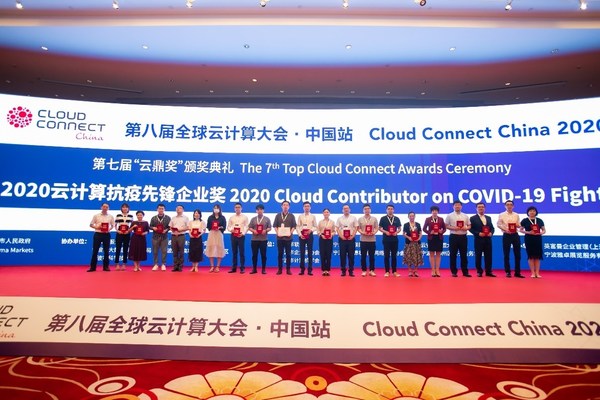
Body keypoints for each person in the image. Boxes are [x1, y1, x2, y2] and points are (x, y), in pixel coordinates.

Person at [497, 199, 524, 278]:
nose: (509, 206)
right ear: (505, 206)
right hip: (506, 235)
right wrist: (505, 230)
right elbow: (499, 224)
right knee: (506, 254)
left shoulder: (516, 215)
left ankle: (517, 272)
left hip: (515, 235)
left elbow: (518, 224)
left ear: (513, 206)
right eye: (507, 205)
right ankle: (508, 272)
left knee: (517, 254)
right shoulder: (501, 215)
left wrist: (519, 226)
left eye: (511, 205)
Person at [445, 201, 472, 277]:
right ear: (453, 206)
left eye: (459, 205)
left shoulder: (465, 216)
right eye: (456, 205)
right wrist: (454, 228)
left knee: (464, 255)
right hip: (453, 236)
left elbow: (469, 226)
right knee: (453, 254)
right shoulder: (449, 215)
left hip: (463, 237)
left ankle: (465, 272)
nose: (457, 206)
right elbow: (446, 225)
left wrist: (466, 228)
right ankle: (454, 272)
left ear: (461, 206)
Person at [469, 202, 496, 277]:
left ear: (485, 208)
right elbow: (470, 229)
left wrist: (491, 233)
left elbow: (492, 228)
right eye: (479, 207)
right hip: (478, 240)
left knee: (489, 256)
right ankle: (479, 271)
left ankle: (488, 271)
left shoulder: (488, 217)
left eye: (482, 207)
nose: (481, 208)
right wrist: (478, 233)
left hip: (488, 239)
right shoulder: (472, 218)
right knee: (478, 256)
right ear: (476, 208)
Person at [87, 202, 115, 272]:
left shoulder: (111, 216)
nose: (105, 208)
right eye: (104, 207)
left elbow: (113, 225)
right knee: (95, 251)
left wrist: (109, 229)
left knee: (106, 251)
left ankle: (106, 267)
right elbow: (91, 224)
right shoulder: (96, 216)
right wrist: (97, 227)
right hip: (98, 234)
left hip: (106, 234)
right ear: (101, 207)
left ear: (108, 208)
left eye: (107, 207)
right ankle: (92, 267)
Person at [520, 206, 546, 278]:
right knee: (531, 256)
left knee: (537, 256)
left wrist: (540, 233)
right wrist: (528, 232)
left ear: (536, 212)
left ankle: (537, 273)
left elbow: (544, 230)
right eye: (530, 211)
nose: (532, 212)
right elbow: (520, 230)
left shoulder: (539, 220)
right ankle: (532, 273)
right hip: (529, 239)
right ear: (528, 212)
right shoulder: (525, 220)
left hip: (537, 238)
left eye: (533, 211)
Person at [273, 200, 297, 275]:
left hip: (288, 238)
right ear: (281, 206)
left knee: (288, 254)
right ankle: (280, 269)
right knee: (280, 254)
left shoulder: (291, 216)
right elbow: (275, 226)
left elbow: (294, 226)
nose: (285, 206)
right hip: (279, 238)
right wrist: (277, 233)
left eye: (287, 205)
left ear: (289, 207)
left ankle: (288, 269)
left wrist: (290, 232)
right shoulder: (278, 215)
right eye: (284, 205)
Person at [423, 205, 446, 277]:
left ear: (438, 212)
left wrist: (441, 231)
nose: (434, 212)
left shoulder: (441, 219)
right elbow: (424, 229)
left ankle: (437, 270)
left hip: (439, 238)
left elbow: (444, 229)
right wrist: (430, 232)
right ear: (431, 212)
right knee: (432, 254)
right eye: (433, 211)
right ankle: (433, 270)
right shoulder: (428, 219)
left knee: (438, 254)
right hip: (431, 238)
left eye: (436, 211)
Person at [248, 204, 272, 274]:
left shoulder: (267, 219)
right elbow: (249, 227)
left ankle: (263, 269)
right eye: (258, 209)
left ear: (263, 210)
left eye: (261, 209)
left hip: (263, 240)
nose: (259, 211)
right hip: (254, 239)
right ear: (256, 211)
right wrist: (253, 231)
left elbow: (270, 227)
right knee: (254, 255)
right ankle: (254, 269)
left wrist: (266, 230)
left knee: (263, 255)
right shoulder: (253, 219)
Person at [379, 204, 401, 277]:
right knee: (386, 256)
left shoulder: (397, 218)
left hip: (394, 240)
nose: (390, 210)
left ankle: (394, 271)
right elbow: (380, 228)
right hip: (386, 240)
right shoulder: (383, 218)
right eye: (388, 209)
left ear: (393, 210)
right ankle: (387, 271)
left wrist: (396, 232)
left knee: (394, 256)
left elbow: (399, 228)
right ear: (386, 210)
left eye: (391, 209)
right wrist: (385, 232)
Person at [336, 204, 358, 277]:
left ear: (349, 210)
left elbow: (356, 227)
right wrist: (341, 236)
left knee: (351, 255)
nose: (346, 210)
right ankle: (343, 271)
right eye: (344, 208)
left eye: (347, 208)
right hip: (342, 239)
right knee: (342, 255)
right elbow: (337, 228)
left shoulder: (353, 218)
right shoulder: (339, 218)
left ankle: (351, 271)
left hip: (351, 239)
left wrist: (352, 236)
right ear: (342, 210)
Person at [227, 202, 249, 274]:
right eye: (236, 207)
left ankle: (242, 268)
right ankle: (234, 268)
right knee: (234, 252)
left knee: (241, 252)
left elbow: (247, 227)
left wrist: (243, 233)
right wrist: (231, 230)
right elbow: (228, 226)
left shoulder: (245, 217)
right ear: (234, 208)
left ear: (241, 208)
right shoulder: (232, 217)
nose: (237, 208)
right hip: (233, 235)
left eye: (239, 207)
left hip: (241, 236)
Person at [358, 203, 378, 277]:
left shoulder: (374, 219)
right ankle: (364, 270)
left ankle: (372, 270)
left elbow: (376, 227)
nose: (367, 210)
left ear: (370, 210)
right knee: (363, 256)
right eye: (365, 209)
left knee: (372, 256)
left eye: (368, 209)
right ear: (363, 210)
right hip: (363, 240)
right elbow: (358, 228)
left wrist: (374, 232)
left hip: (372, 240)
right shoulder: (360, 219)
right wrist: (363, 232)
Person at [297, 201, 317, 276]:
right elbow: (298, 226)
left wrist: (311, 230)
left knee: (310, 253)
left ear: (310, 207)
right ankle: (302, 269)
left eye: (308, 206)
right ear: (303, 207)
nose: (307, 207)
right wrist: (300, 234)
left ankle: (310, 270)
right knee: (302, 253)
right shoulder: (300, 216)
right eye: (305, 206)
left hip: (309, 235)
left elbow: (315, 226)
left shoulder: (313, 216)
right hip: (302, 235)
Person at [150, 204, 171, 271]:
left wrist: (166, 230)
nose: (161, 210)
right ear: (157, 209)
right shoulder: (153, 218)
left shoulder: (168, 218)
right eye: (159, 208)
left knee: (164, 251)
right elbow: (150, 226)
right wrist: (153, 228)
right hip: (155, 237)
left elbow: (170, 227)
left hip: (164, 237)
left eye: (162, 209)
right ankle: (155, 264)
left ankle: (163, 264)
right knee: (155, 251)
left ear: (164, 209)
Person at [206, 204, 226, 272]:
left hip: (219, 234)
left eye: (217, 208)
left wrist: (219, 227)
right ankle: (212, 266)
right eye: (215, 208)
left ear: (219, 209)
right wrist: (212, 227)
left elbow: (224, 227)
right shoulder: (210, 217)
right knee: (211, 248)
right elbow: (208, 226)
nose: (216, 209)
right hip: (212, 233)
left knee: (219, 249)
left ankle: (217, 266)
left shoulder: (222, 217)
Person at [402, 211, 424, 277]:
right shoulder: (406, 225)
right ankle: (410, 271)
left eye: (413, 216)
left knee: (417, 256)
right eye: (410, 216)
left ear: (415, 216)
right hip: (409, 243)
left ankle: (416, 270)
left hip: (417, 243)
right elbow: (403, 234)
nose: (412, 217)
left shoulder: (418, 224)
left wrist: (419, 238)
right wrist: (408, 237)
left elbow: (420, 233)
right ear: (408, 217)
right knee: (408, 256)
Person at [169, 204, 189, 272]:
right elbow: (170, 226)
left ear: (183, 210)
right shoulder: (173, 218)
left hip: (181, 236)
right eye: (177, 208)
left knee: (181, 252)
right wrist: (174, 231)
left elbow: (187, 227)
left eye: (180, 208)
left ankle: (180, 266)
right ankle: (175, 266)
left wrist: (180, 230)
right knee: (174, 252)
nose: (178, 209)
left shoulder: (185, 218)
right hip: (174, 236)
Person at [114, 202, 133, 271]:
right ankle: (117, 264)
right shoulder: (118, 215)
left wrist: (129, 231)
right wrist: (117, 231)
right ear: (121, 208)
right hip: (119, 233)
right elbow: (115, 225)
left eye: (126, 207)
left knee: (125, 249)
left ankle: (124, 264)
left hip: (127, 233)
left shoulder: (130, 216)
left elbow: (132, 225)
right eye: (123, 207)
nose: (125, 208)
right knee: (118, 248)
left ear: (128, 209)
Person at [318, 208, 335, 276]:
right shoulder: (320, 222)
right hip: (322, 238)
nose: (326, 213)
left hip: (329, 239)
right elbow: (318, 230)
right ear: (323, 213)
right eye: (325, 212)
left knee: (328, 254)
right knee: (322, 254)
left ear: (329, 213)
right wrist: (321, 235)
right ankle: (323, 270)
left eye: (327, 212)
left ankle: (327, 270)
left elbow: (334, 231)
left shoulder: (332, 222)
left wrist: (331, 235)